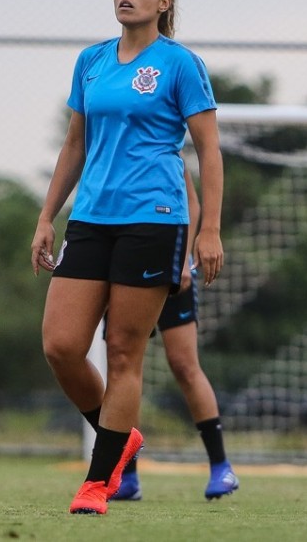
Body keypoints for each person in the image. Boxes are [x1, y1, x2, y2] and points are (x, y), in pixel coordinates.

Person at [30, 0, 225, 515]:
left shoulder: (180, 64)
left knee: (122, 352)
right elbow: (74, 145)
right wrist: (47, 216)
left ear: (163, 2)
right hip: (90, 219)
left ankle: (97, 482)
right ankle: (121, 436)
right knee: (62, 346)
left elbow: (209, 151)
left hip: (155, 220)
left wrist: (208, 228)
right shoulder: (91, 61)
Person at [111, 169, 238, 501]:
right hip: (125, 266)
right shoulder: (104, 145)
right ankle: (127, 474)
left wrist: (181, 262)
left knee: (184, 365)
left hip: (170, 265)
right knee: (124, 366)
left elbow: (192, 205)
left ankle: (220, 466)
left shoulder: (161, 143)